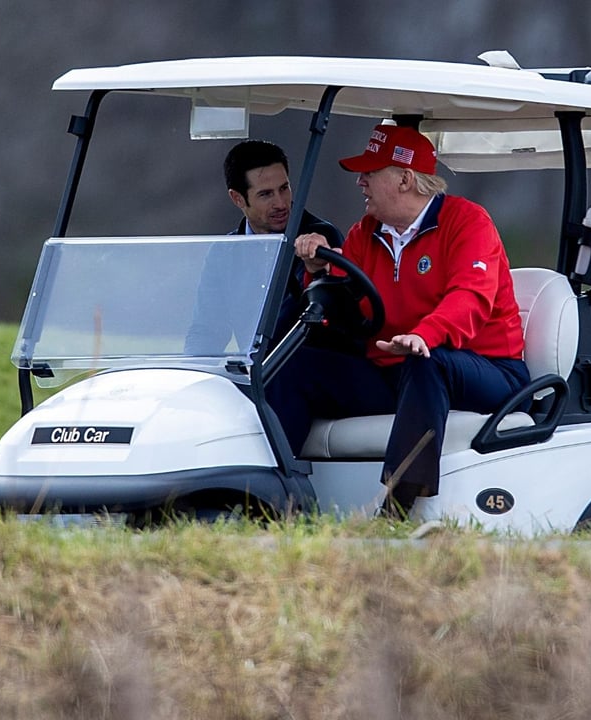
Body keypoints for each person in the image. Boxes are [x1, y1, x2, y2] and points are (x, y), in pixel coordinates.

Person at [266, 124, 530, 517]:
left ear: (405, 178)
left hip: (485, 369)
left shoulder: (467, 222)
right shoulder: (365, 233)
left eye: (370, 174)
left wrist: (423, 336)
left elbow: (470, 298)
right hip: (397, 371)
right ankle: (274, 494)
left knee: (429, 362)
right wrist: (314, 271)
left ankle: (399, 503)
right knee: (295, 367)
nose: (361, 182)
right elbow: (339, 305)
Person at [184, 140, 346, 355]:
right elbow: (207, 331)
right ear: (238, 198)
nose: (280, 203)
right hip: (256, 374)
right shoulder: (224, 252)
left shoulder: (318, 238)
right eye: (266, 194)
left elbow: (306, 319)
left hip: (306, 371)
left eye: (284, 189)